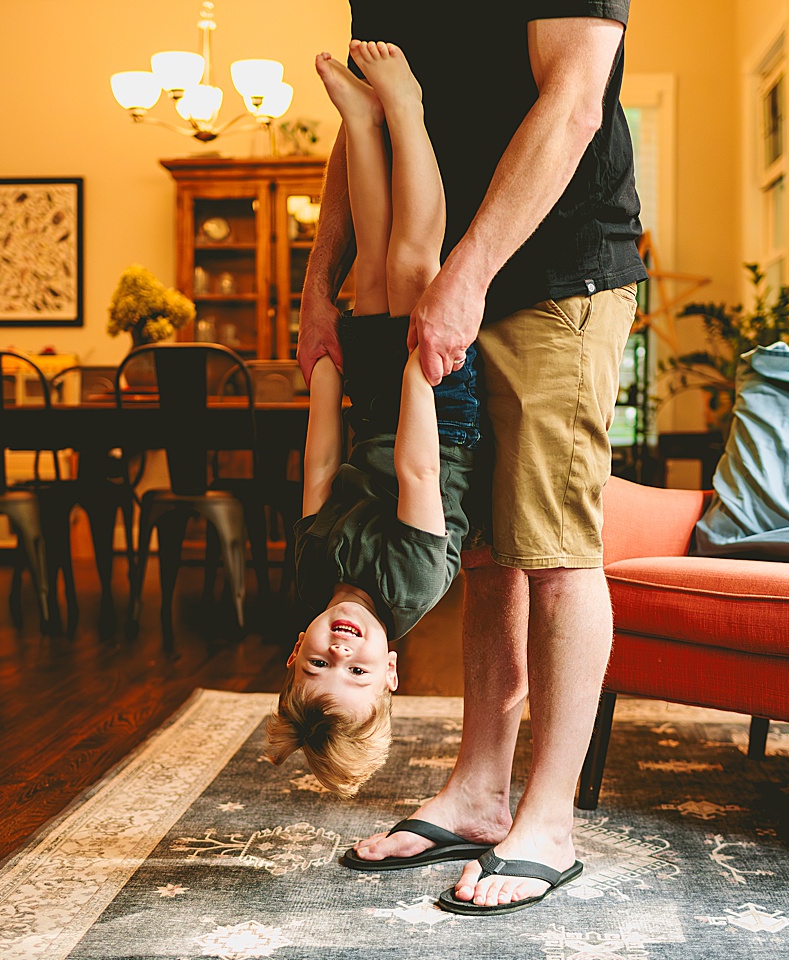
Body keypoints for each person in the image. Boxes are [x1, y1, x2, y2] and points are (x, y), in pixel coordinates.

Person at [298, 3, 646, 916]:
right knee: (485, 553)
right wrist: (317, 281)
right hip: (437, 274)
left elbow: (574, 100)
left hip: (552, 269)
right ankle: (479, 793)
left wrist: (469, 273)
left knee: (556, 552)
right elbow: (359, 123)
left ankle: (550, 822)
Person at [264, 40, 481, 799]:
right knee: (416, 267)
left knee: (369, 274)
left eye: (321, 663)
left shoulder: (310, 581)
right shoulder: (411, 584)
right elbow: (420, 470)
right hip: (437, 415)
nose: (340, 651)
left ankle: (362, 123)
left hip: (373, 412)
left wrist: (324, 375)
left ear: (295, 650)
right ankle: (406, 108)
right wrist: (419, 358)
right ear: (390, 671)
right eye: (358, 671)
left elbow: (321, 472)